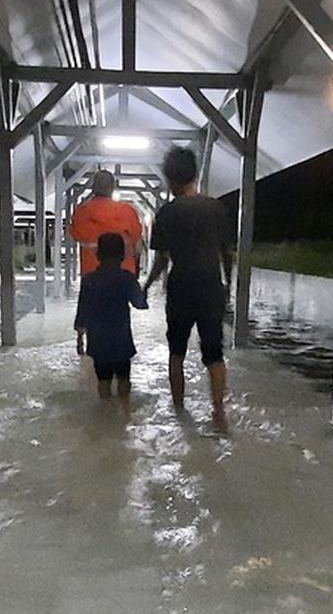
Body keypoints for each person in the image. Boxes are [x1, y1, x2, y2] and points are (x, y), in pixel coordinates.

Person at [143, 147, 235, 429]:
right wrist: (227, 284)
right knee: (214, 355)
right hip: (211, 287)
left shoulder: (167, 214)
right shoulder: (216, 208)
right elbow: (227, 253)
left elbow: (161, 260)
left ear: (169, 179)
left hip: (181, 288)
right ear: (195, 174)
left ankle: (180, 411)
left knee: (177, 353)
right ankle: (219, 414)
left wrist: (146, 286)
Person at [74, 232, 148, 399]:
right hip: (121, 338)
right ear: (122, 255)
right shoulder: (127, 279)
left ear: (98, 255)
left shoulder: (89, 280)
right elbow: (140, 304)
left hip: (98, 340)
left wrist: (79, 339)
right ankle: (123, 412)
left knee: (104, 380)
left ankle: (106, 410)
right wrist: (145, 290)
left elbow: (82, 311)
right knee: (123, 378)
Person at [69, 170, 143, 276]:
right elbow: (137, 247)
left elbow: (74, 236)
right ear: (112, 187)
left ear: (93, 188)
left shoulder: (81, 212)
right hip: (124, 277)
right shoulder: (128, 212)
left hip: (92, 277)